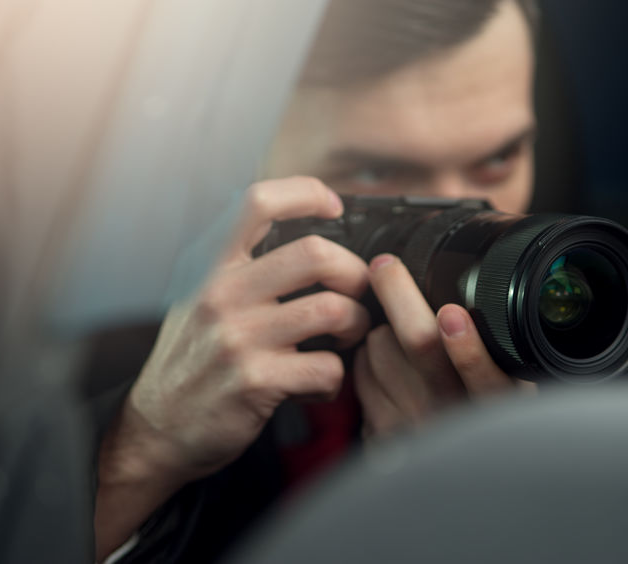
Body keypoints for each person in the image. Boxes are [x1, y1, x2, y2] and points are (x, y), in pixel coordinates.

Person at [94, 0, 540, 561]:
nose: (460, 214)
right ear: (239, 164)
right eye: (376, 173)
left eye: (498, 159)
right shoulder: (60, 379)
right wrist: (140, 454)